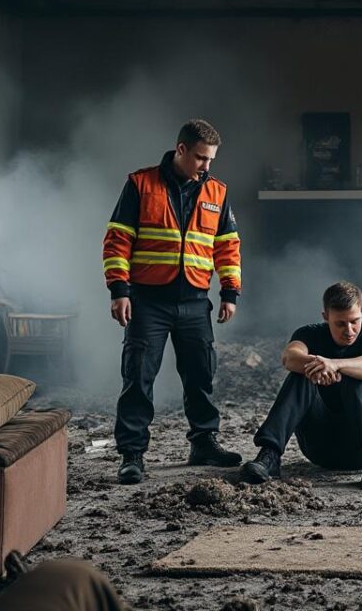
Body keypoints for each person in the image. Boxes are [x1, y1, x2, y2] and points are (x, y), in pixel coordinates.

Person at [102, 119, 244, 484]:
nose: (206, 167)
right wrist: (120, 290)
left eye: (210, 160)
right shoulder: (140, 184)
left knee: (200, 375)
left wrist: (229, 291)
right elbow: (118, 240)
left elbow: (227, 245)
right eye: (200, 158)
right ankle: (132, 454)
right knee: (138, 377)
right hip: (148, 301)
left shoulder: (217, 191)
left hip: (196, 301)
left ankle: (204, 442)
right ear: (181, 150)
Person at [240, 281, 362, 489]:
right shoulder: (309, 334)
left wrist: (334, 365)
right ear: (326, 317)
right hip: (321, 447)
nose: (349, 331)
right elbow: (289, 358)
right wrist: (317, 365)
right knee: (302, 374)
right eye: (340, 324)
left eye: (354, 321)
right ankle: (269, 455)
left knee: (356, 377)